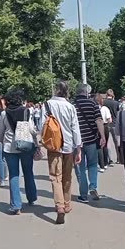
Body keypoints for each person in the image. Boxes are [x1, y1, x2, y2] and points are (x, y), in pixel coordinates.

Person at [41, 81, 82, 224]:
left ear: (56, 90)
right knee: (67, 176)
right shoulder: (70, 107)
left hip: (54, 146)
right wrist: (78, 148)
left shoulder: (47, 105)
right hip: (69, 146)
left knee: (55, 176)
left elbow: (42, 125)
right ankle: (67, 203)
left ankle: (59, 206)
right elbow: (75, 127)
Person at [0, 88, 39, 215]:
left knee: (14, 175)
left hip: (10, 147)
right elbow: (32, 129)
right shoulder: (26, 111)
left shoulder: (4, 114)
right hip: (25, 145)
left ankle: (16, 205)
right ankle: (31, 197)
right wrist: (36, 144)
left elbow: (1, 131)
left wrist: (3, 142)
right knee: (28, 172)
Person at [73, 84, 106, 203]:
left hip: (77, 142)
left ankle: (83, 195)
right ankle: (93, 186)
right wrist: (102, 137)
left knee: (80, 168)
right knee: (92, 165)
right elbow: (99, 120)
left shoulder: (73, 105)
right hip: (92, 139)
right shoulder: (93, 104)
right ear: (87, 93)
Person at [103, 89, 120, 164]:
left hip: (106, 124)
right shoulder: (116, 103)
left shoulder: (104, 102)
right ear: (112, 95)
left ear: (107, 94)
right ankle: (119, 158)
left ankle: (109, 159)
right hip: (115, 124)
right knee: (116, 142)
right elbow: (118, 113)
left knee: (107, 142)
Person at [95, 94, 112, 171]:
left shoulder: (94, 108)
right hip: (105, 127)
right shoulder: (105, 108)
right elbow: (109, 119)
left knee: (99, 146)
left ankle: (100, 164)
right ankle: (105, 163)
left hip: (97, 127)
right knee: (105, 145)